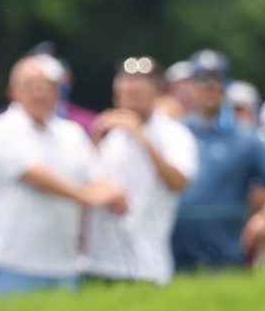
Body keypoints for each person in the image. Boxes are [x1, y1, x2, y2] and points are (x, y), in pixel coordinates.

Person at [0, 55, 127, 296]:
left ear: (58, 91)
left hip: (64, 265)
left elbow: (94, 176)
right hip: (12, 264)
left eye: (46, 86)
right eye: (30, 86)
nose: (39, 93)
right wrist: (86, 197)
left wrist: (113, 193)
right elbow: (35, 175)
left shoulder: (72, 133)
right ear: (13, 91)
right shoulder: (2, 128)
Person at [82, 57, 198, 285]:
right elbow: (84, 183)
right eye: (126, 87)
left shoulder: (174, 133)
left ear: (157, 92)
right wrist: (94, 143)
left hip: (147, 265)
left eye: (139, 87)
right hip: (96, 262)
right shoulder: (108, 132)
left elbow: (179, 182)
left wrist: (141, 137)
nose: (131, 92)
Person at [171, 50, 265, 272]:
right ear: (191, 86)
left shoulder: (245, 138)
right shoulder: (176, 131)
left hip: (225, 254)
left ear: (226, 86)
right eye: (203, 80)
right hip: (174, 253)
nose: (209, 87)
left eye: (216, 80)